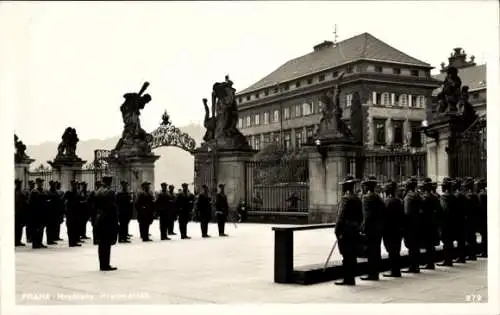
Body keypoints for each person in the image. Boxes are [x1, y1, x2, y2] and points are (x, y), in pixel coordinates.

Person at [334, 175, 363, 286]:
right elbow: (361, 217)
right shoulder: (357, 199)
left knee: (346, 255)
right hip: (355, 230)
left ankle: (348, 279)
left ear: (345, 187)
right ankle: (351, 278)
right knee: (352, 255)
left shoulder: (346, 199)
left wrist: (337, 231)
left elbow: (340, 217)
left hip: (346, 231)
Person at [360, 175, 384, 281]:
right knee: (376, 250)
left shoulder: (367, 198)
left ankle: (372, 274)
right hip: (378, 228)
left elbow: (367, 216)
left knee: (371, 252)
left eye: (364, 185)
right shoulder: (378, 197)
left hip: (370, 229)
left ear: (367, 186)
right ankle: (376, 273)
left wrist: (363, 228)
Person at [94, 176, 119, 271]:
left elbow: (94, 207)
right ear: (110, 182)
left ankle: (102, 264)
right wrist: (116, 221)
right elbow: (113, 208)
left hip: (99, 219)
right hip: (108, 220)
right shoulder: (110, 192)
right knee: (107, 243)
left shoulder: (98, 191)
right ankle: (106, 265)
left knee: (101, 244)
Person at [381, 181, 405, 278]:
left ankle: (394, 271)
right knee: (396, 250)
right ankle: (396, 270)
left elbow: (384, 216)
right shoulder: (399, 200)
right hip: (398, 229)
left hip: (389, 229)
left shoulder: (388, 201)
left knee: (391, 251)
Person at [419, 178, 439, 270]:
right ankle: (431, 262)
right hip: (433, 222)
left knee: (428, 244)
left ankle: (430, 263)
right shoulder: (434, 196)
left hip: (426, 223)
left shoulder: (425, 197)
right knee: (431, 244)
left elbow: (421, 211)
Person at [403, 177, 421, 273]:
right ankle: (416, 265)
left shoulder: (408, 197)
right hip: (417, 223)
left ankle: (413, 266)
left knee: (411, 246)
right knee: (416, 246)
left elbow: (407, 212)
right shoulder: (417, 195)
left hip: (410, 224)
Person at [437, 177, 456, 267]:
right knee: (450, 242)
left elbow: (443, 210)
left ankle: (447, 260)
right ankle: (450, 259)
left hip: (445, 223)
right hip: (453, 222)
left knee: (446, 242)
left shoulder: (444, 197)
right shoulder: (453, 196)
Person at [30, 178, 49, 249]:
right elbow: (31, 203)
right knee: (36, 228)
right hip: (36, 213)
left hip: (43, 212)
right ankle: (35, 243)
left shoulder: (44, 191)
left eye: (42, 182)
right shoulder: (34, 191)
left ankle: (39, 242)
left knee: (41, 228)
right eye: (40, 182)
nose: (41, 183)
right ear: (37, 183)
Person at [463, 177, 479, 261]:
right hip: (473, 218)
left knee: (469, 237)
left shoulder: (469, 196)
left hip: (469, 219)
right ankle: (473, 254)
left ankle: (471, 254)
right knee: (472, 237)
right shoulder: (475, 195)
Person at [452, 178, 468, 263]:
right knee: (461, 239)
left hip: (458, 220)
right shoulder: (463, 195)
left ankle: (461, 257)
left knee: (460, 239)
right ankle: (462, 257)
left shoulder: (457, 195)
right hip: (463, 219)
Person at [64, 180, 82, 247]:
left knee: (75, 227)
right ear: (72, 185)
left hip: (76, 212)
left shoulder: (77, 192)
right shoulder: (68, 192)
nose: (76, 185)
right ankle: (71, 242)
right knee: (70, 227)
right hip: (70, 213)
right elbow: (63, 200)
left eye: (76, 184)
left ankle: (74, 241)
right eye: (74, 184)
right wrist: (66, 209)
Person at [46, 180, 61, 245]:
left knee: (53, 226)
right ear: (51, 185)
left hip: (55, 211)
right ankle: (49, 240)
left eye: (54, 184)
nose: (54, 185)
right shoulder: (48, 191)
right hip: (50, 211)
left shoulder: (55, 191)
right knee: (49, 226)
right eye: (53, 184)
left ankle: (52, 238)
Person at [15, 179, 28, 246]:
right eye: (18, 183)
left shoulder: (20, 192)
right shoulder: (19, 192)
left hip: (19, 213)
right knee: (18, 228)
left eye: (20, 183)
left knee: (19, 228)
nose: (19, 185)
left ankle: (17, 241)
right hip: (18, 213)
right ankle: (17, 241)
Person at [476, 178, 487, 257]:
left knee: (484, 235)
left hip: (482, 217)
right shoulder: (486, 193)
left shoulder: (481, 195)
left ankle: (484, 252)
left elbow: (479, 207)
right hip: (486, 216)